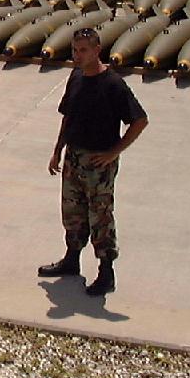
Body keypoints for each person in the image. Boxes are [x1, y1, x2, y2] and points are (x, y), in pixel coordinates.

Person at [39, 27, 148, 296]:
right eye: (75, 50)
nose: (77, 55)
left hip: (99, 162)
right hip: (74, 156)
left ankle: (106, 272)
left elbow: (139, 120)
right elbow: (68, 116)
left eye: (83, 50)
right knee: (72, 212)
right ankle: (71, 260)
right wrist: (58, 149)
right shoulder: (76, 77)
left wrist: (115, 152)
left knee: (100, 217)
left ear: (97, 50)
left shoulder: (112, 84)